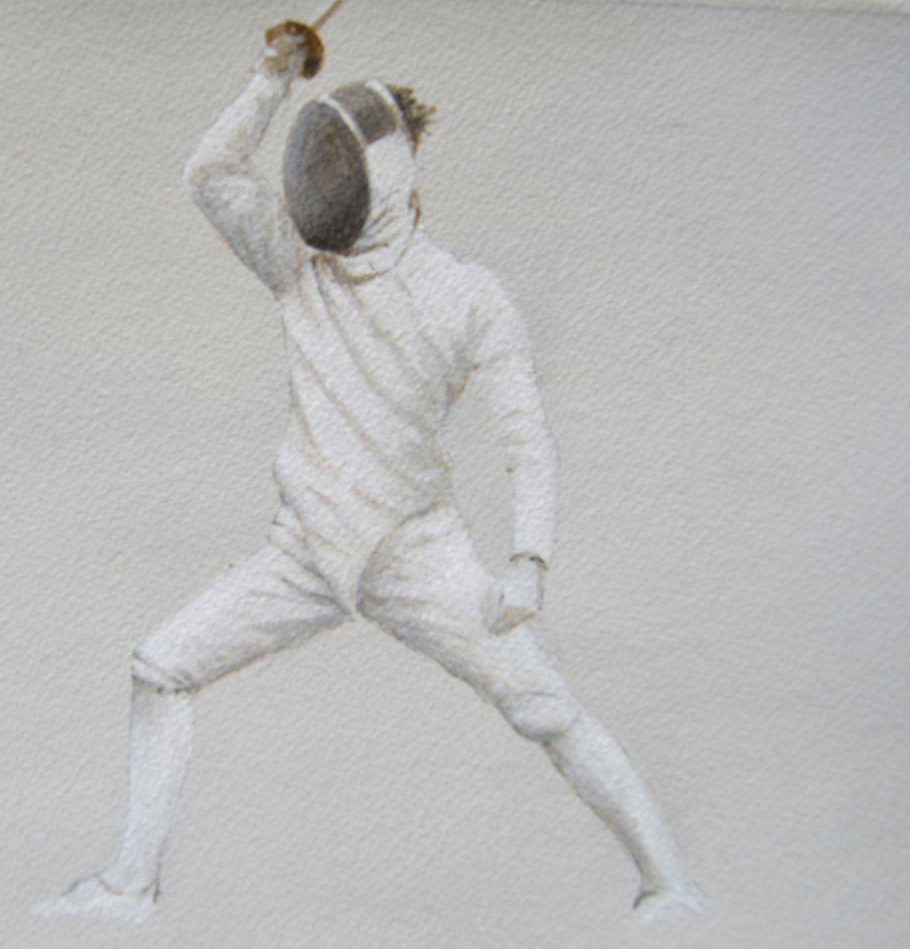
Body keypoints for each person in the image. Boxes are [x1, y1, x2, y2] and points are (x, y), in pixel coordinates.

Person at [35, 30, 703, 924]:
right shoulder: (296, 263)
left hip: (415, 552)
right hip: (304, 549)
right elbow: (209, 173)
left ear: (386, 179)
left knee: (546, 705)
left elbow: (526, 438)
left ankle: (668, 880)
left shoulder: (467, 296)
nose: (317, 186)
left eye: (335, 170)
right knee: (161, 666)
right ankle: (130, 887)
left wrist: (528, 561)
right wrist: (269, 81)